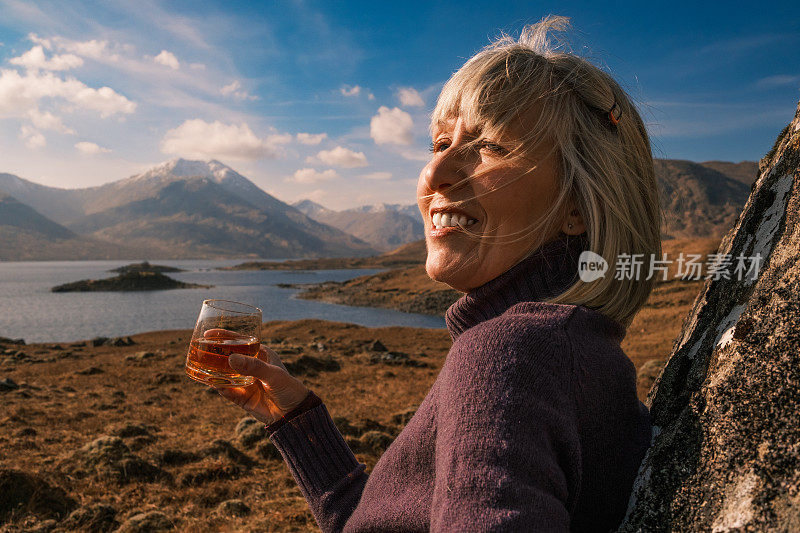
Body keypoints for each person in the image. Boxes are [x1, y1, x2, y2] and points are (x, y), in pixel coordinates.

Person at [213, 15, 659, 532]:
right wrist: (291, 415)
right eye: (440, 144)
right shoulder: (569, 352)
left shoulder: (507, 353)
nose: (434, 175)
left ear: (577, 205)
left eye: (490, 145)